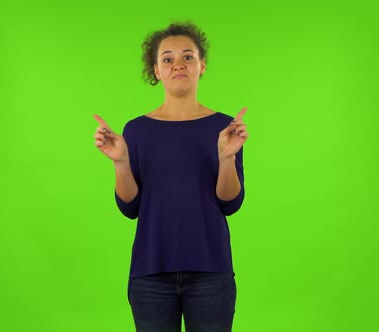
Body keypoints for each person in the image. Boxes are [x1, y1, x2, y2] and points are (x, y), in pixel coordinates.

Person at [93, 21, 249, 332]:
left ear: (202, 66)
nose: (178, 64)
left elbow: (230, 203)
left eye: (188, 56)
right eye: (167, 58)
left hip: (211, 272)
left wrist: (226, 156)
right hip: (151, 273)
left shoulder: (225, 128)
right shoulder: (136, 130)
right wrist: (121, 162)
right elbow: (129, 208)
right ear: (156, 70)